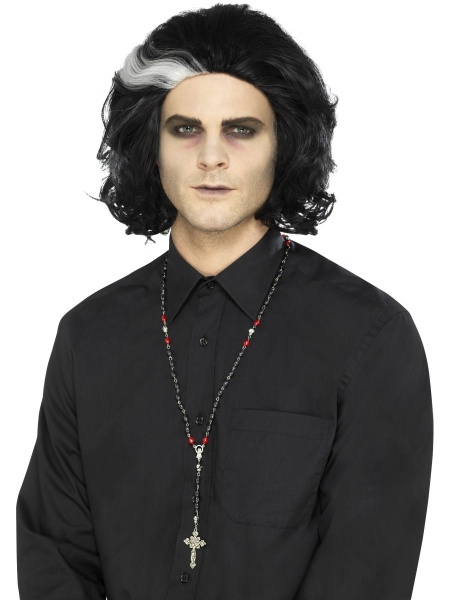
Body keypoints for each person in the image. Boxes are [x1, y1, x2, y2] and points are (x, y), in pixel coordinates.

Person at [16, 3, 433, 599]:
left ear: (283, 144)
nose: (211, 157)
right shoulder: (89, 336)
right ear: (150, 144)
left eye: (241, 129)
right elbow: (55, 555)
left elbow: (366, 571)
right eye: (185, 129)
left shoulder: (369, 338)